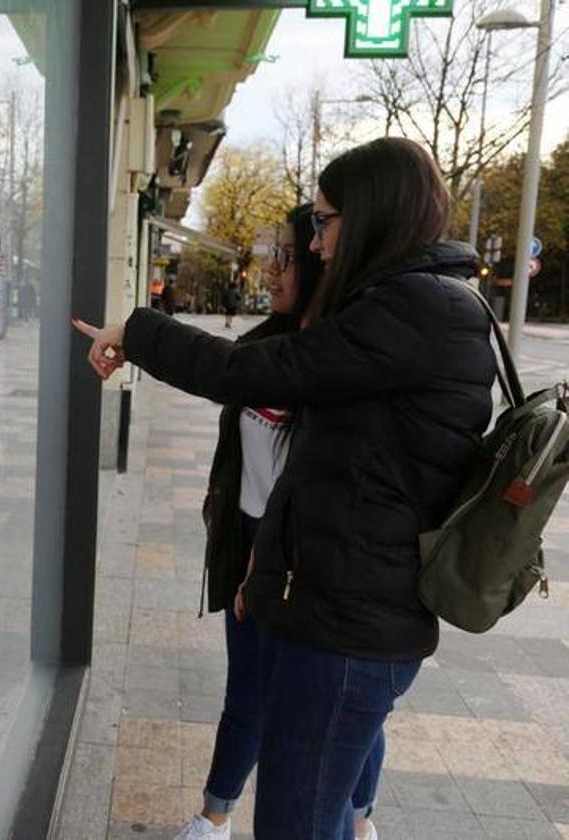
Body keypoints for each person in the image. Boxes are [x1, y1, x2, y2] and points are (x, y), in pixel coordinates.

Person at [73, 137, 495, 839]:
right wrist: (264, 576)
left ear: (370, 216)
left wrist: (138, 331)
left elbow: (250, 375)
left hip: (348, 630)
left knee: (296, 824)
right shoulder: (409, 306)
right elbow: (325, 474)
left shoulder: (415, 312)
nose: (317, 243)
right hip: (334, 610)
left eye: (324, 221)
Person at [174, 205, 383, 840]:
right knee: (251, 689)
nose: (273, 267)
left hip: (312, 565)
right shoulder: (263, 344)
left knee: (347, 711)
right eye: (277, 251)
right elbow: (212, 370)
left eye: (290, 254)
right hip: (249, 540)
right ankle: (216, 816)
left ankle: (357, 819)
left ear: (326, 262)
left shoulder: (354, 358)